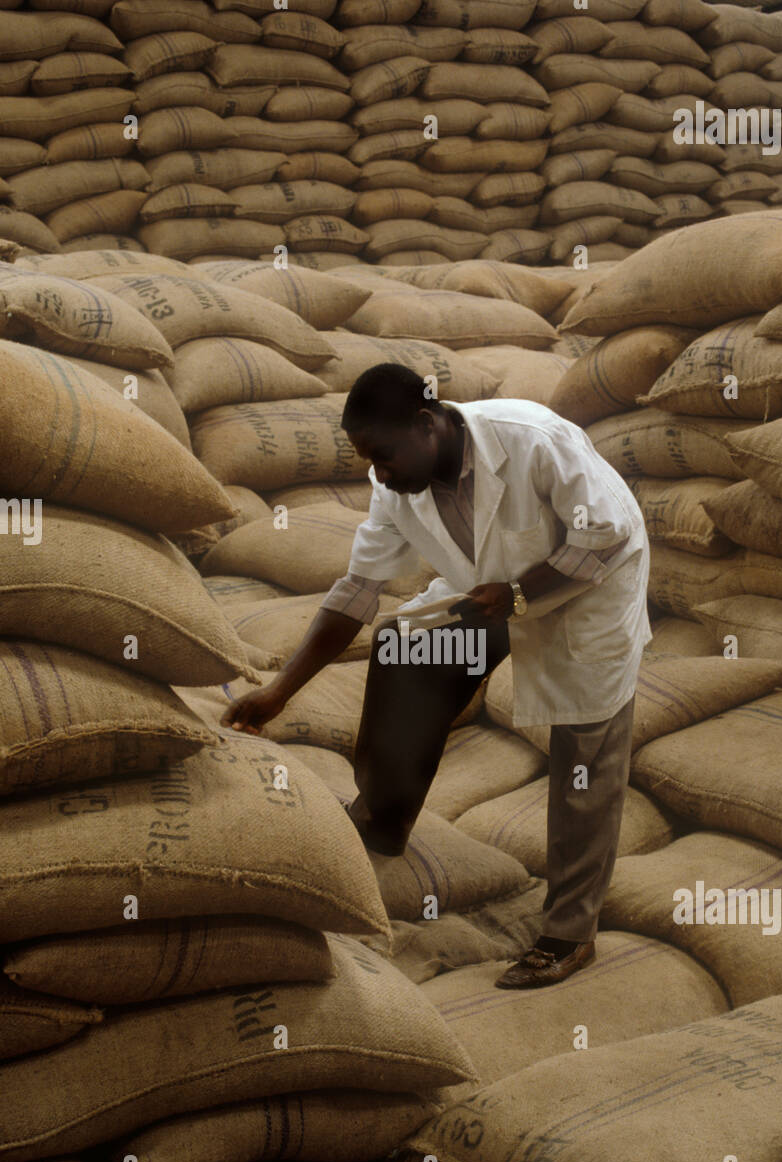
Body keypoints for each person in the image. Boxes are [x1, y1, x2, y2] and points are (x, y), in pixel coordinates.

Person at [222, 364, 651, 989]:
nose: (380, 471)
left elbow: (607, 536)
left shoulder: (531, 438)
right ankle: (382, 816)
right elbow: (357, 592)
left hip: (587, 592)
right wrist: (279, 691)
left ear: (427, 424)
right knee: (403, 645)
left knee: (584, 755)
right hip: (488, 587)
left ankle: (568, 934)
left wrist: (519, 596)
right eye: (369, 459)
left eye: (385, 454)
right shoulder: (395, 485)